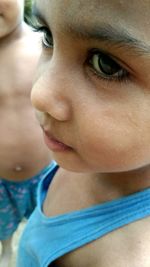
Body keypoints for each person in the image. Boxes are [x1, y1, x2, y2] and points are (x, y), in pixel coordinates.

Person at [17, 0, 150, 266]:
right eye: (47, 35)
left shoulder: (123, 258)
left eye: (106, 65)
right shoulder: (86, 152)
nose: (39, 93)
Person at [0, 0, 52, 266]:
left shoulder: (45, 45)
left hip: (46, 171)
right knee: (2, 226)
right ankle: (6, 248)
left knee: (45, 227)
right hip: (0, 181)